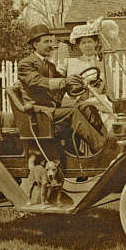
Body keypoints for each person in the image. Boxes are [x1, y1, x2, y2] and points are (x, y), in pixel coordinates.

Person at [17, 24, 106, 153]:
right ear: (35, 45)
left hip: (52, 109)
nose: (50, 45)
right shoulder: (26, 64)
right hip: (38, 111)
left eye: (51, 41)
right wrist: (65, 81)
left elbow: (65, 86)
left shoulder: (50, 65)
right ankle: (100, 148)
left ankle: (108, 141)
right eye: (46, 42)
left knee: (86, 106)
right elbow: (37, 81)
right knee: (72, 113)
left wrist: (77, 84)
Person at [57, 22, 113, 115]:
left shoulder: (103, 64)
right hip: (72, 102)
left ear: (95, 43)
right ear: (78, 45)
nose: (87, 45)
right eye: (83, 43)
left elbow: (108, 90)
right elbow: (57, 79)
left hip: (96, 102)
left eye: (90, 42)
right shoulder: (69, 62)